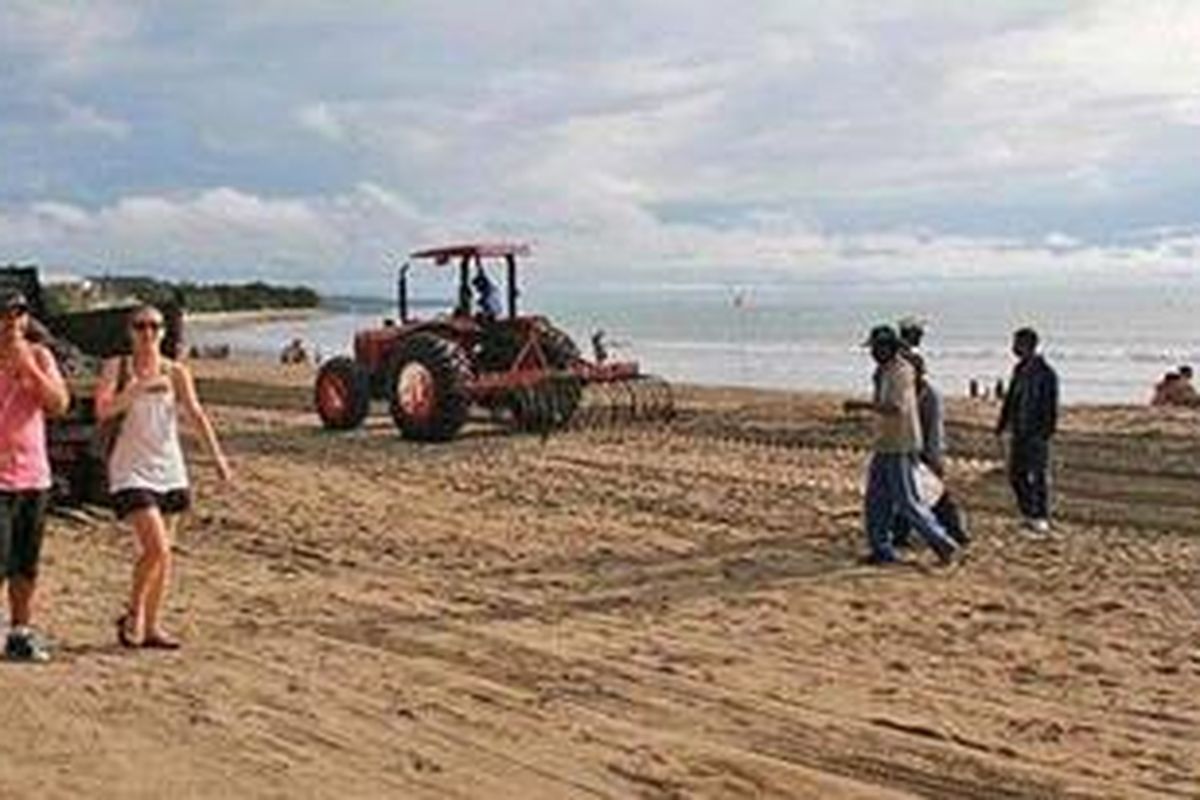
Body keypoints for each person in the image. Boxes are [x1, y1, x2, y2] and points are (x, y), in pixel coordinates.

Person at [95, 305, 232, 649]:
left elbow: (196, 415)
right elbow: (103, 409)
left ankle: (153, 626)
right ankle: (133, 613)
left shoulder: (176, 372)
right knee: (154, 547)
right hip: (130, 468)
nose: (148, 333)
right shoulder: (118, 366)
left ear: (164, 332)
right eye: (141, 326)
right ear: (130, 331)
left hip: (169, 467)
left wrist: (217, 459)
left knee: (166, 552)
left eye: (155, 327)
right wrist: (138, 388)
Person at [844, 325, 959, 566]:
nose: (873, 353)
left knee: (908, 501)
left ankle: (943, 543)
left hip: (900, 444)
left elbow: (896, 407)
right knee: (876, 501)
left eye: (877, 348)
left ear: (889, 347)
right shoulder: (885, 370)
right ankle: (881, 549)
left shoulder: (901, 371)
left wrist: (861, 406)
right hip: (885, 443)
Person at [0, 289, 70, 662]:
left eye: (18, 314)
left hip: (33, 476)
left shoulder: (40, 356)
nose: (11, 321)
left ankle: (20, 632)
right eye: (4, 314)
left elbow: (59, 404)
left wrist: (28, 368)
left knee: (25, 563)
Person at [996, 327, 1058, 535]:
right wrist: (1002, 423)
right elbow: (1011, 398)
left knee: (1039, 475)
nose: (1013, 347)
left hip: (1036, 433)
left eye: (1017, 343)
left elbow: (1051, 406)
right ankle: (1028, 513)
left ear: (1027, 345)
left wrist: (1045, 432)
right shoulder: (1019, 369)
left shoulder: (1046, 373)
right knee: (1016, 474)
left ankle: (1040, 516)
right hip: (1019, 431)